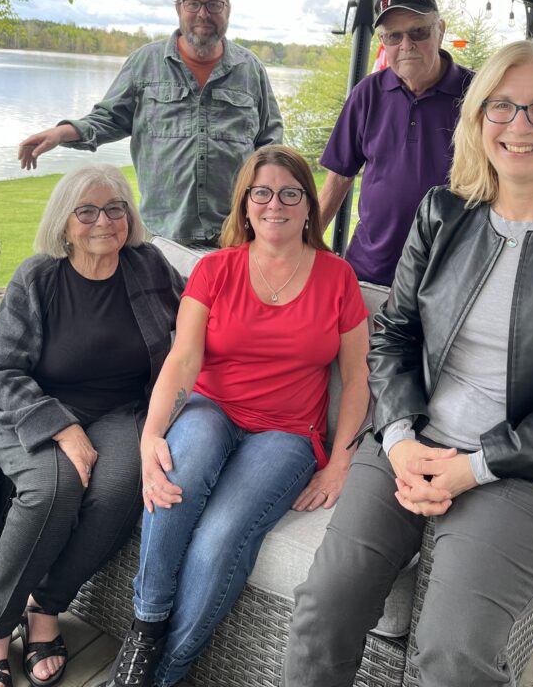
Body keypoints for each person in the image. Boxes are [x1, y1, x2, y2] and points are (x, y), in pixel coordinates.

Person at [283, 41, 533, 687]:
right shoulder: (443, 211)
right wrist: (399, 438)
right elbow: (394, 335)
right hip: (411, 440)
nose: (519, 125)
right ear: (477, 117)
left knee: (453, 652)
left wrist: (474, 467)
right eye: (502, 106)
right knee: (322, 609)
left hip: (525, 469)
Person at [101, 145, 371, 687]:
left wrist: (340, 464)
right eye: (262, 193)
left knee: (221, 535)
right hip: (212, 407)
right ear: (245, 204)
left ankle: (166, 673)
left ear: (308, 205)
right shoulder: (216, 270)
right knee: (176, 479)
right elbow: (183, 359)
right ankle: (146, 628)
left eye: (290, 193)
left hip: (288, 432)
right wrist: (152, 434)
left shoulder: (337, 278)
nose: (276, 204)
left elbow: (359, 377)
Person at [0, 164, 183, 687]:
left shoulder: (147, 266)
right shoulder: (38, 277)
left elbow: (202, 307)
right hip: (32, 408)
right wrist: (61, 428)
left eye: (115, 208)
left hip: (120, 410)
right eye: (87, 210)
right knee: (54, 487)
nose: (104, 220)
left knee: (128, 483)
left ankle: (45, 607)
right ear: (64, 222)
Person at [18, 0, 283, 245]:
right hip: (162, 237)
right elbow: (108, 119)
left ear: (228, 9)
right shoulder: (145, 63)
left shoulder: (250, 69)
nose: (203, 13)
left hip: (235, 236)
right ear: (178, 8)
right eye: (192, 3)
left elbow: (270, 143)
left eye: (214, 4)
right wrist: (62, 133)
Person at [318, 0, 474, 286]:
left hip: (446, 275)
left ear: (440, 30)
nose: (406, 45)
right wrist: (305, 243)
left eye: (418, 31)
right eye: (393, 36)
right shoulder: (368, 93)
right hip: (368, 269)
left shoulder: (476, 94)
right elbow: (338, 176)